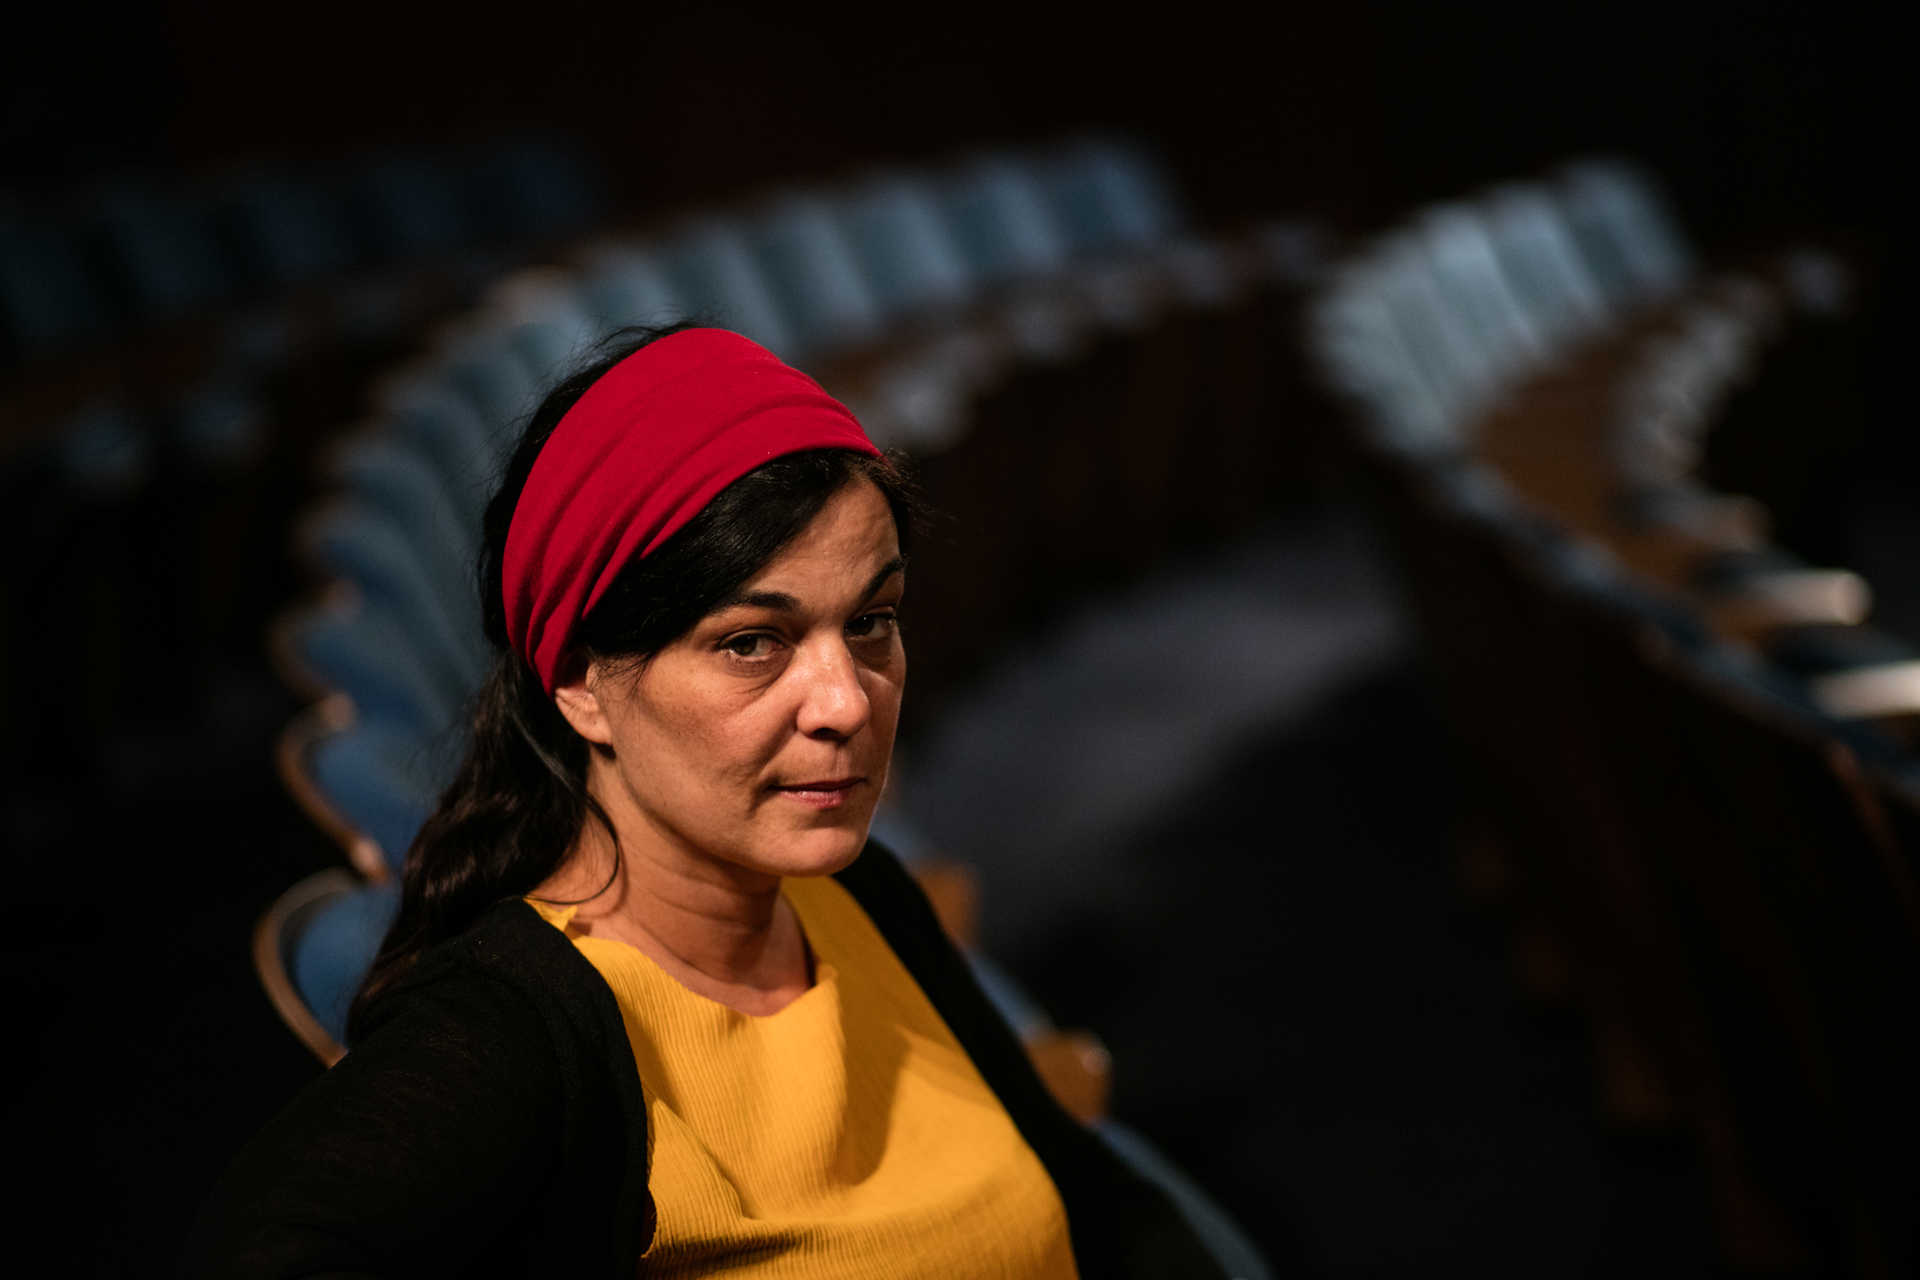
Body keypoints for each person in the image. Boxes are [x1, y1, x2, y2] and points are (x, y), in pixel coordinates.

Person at [188, 325, 1229, 1278]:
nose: (845, 702)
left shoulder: (858, 892)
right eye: (751, 643)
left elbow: (1106, 1211)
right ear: (580, 682)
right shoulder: (524, 1027)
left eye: (871, 620)